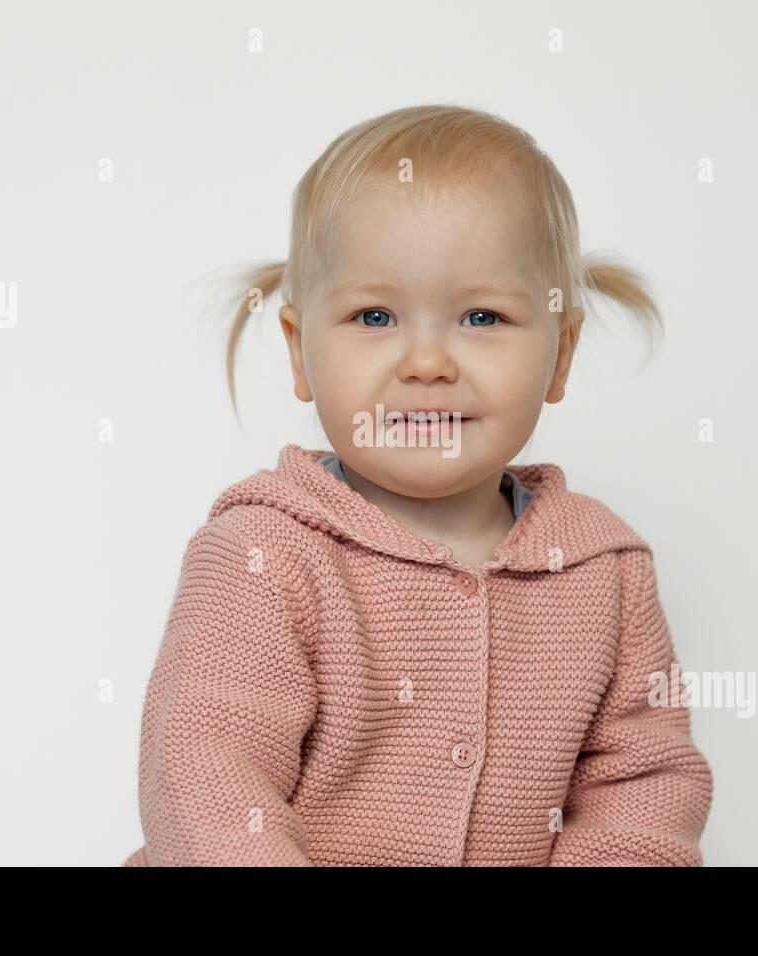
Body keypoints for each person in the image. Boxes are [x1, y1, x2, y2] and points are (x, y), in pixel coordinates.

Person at [123, 103, 713, 866]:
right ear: (301, 355)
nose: (428, 361)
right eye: (375, 316)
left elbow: (644, 792)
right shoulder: (262, 553)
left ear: (560, 356)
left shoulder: (604, 570)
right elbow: (205, 776)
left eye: (482, 315)